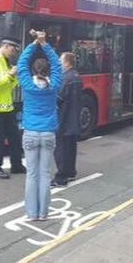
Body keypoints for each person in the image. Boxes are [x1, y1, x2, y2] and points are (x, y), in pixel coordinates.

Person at [17, 30, 62, 221]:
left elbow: (20, 64)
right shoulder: (54, 85)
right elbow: (58, 66)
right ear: (47, 70)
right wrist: (45, 44)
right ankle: (43, 213)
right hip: (48, 133)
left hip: (30, 133)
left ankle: (31, 213)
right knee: (45, 175)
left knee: (32, 175)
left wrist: (34, 43)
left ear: (33, 70)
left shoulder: (27, 84)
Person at [0, 37, 27, 179]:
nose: (14, 53)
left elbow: (11, 85)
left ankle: (16, 165)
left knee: (15, 137)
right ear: (6, 46)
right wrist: (10, 74)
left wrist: (13, 78)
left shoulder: (6, 62)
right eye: (13, 49)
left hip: (7, 106)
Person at [51, 52, 83, 187]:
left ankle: (61, 176)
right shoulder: (76, 76)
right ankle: (70, 172)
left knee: (61, 148)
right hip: (73, 117)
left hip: (63, 118)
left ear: (67, 63)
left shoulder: (65, 78)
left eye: (60, 60)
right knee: (71, 146)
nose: (59, 62)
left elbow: (58, 98)